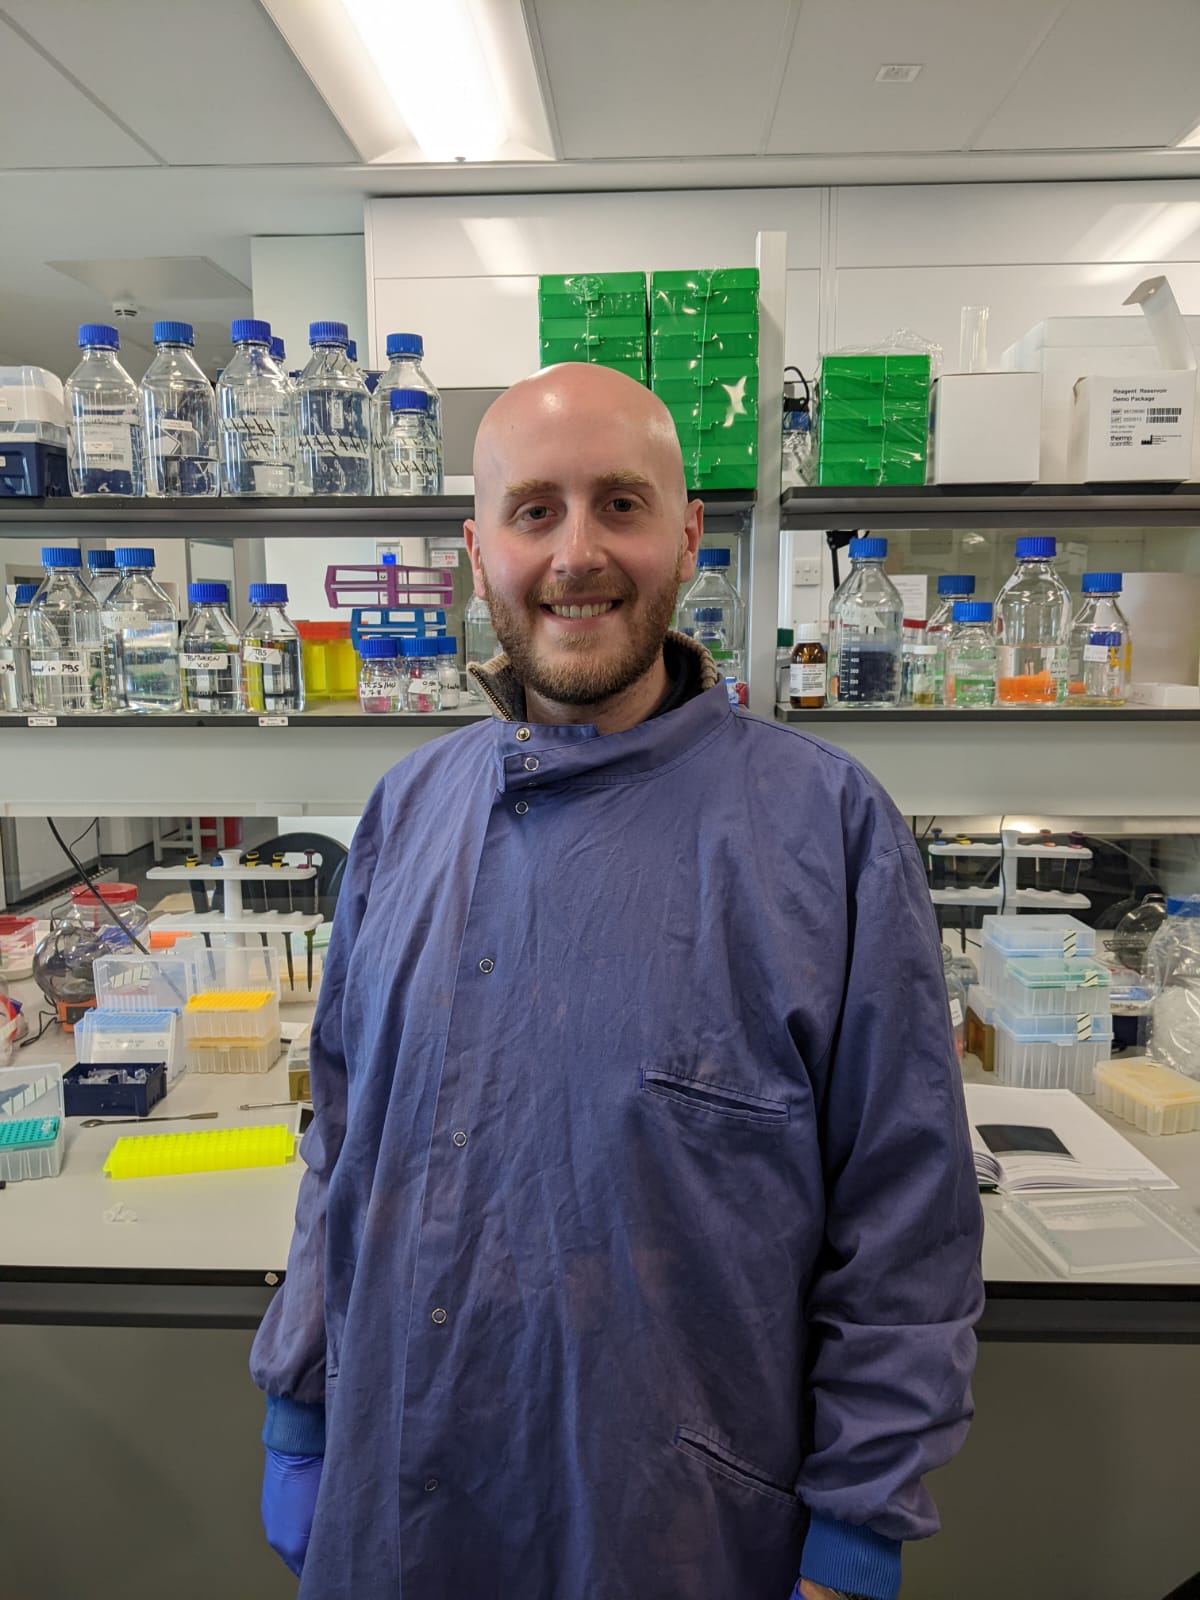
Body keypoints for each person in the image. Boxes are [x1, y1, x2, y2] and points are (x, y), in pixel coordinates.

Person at [251, 362, 984, 1600]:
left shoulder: (827, 829)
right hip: (396, 1493)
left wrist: (856, 1531)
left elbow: (906, 1223)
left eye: (622, 505)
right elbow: (343, 1145)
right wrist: (300, 1408)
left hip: (671, 1528)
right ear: (476, 550)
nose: (576, 553)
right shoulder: (406, 812)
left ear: (688, 536)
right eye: (534, 510)